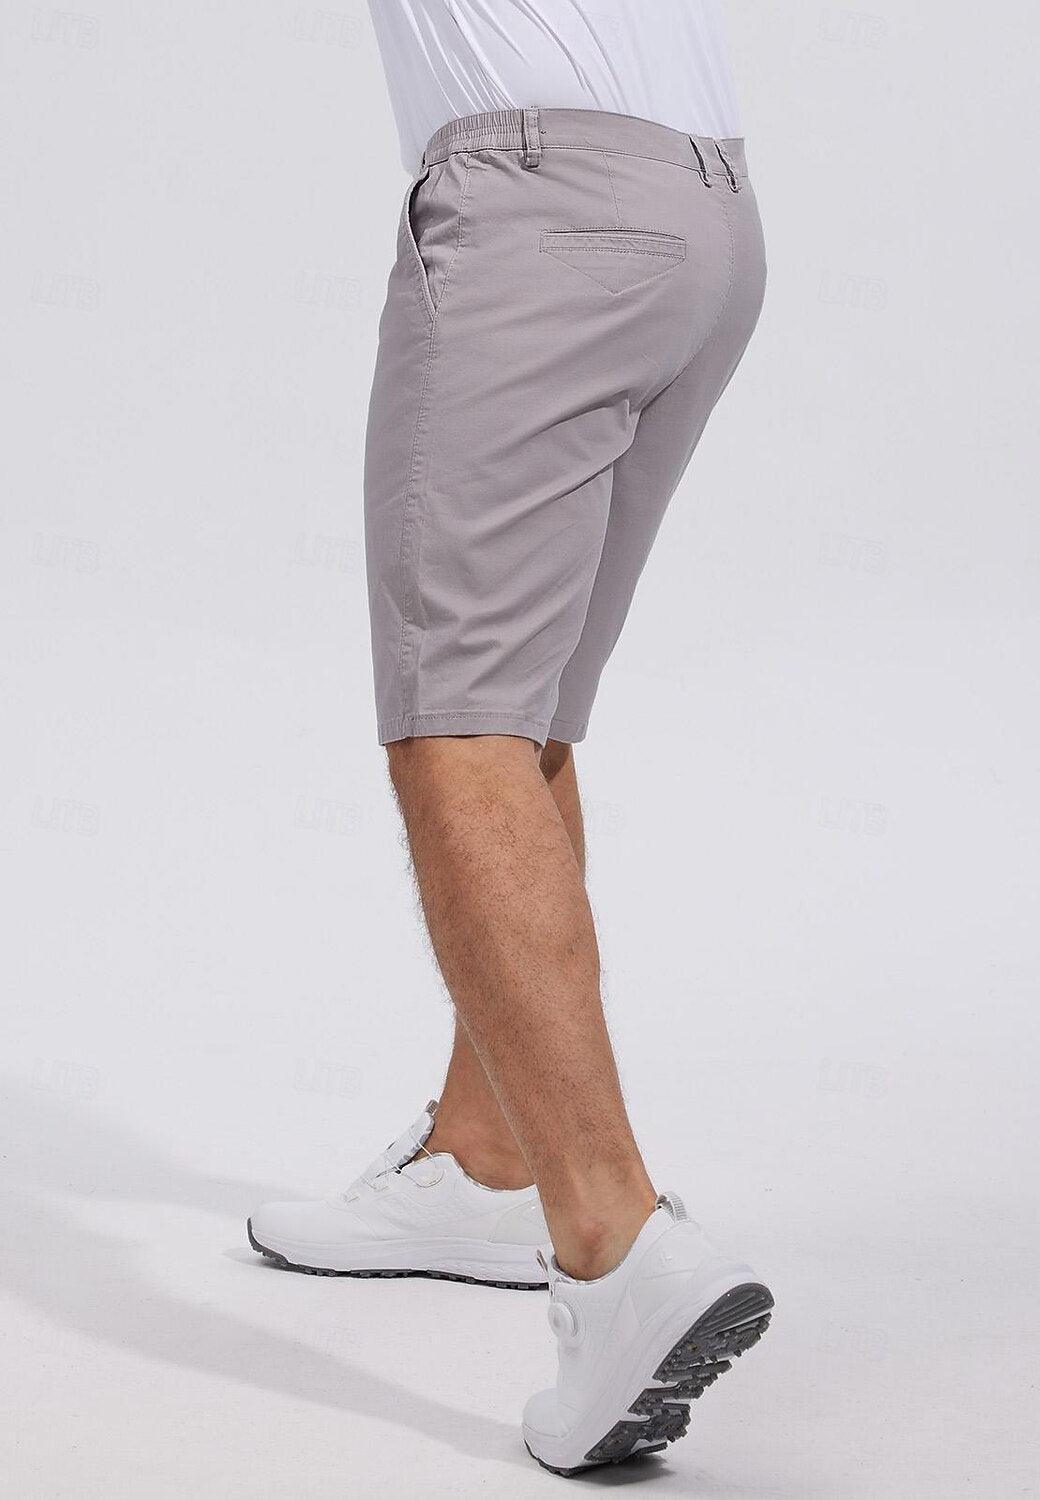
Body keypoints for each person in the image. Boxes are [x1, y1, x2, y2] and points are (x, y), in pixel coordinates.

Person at [249, 0, 773, 1475]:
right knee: (523, 710)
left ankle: (613, 1242)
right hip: (705, 215)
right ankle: (487, 1162)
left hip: (540, 207)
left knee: (457, 720)